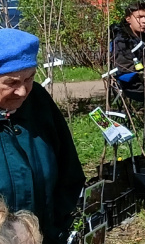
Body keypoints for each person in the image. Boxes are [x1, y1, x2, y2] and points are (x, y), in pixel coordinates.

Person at [0, 28, 85, 243]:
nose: (22, 91)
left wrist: (58, 224)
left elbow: (69, 169)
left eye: (29, 78)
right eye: (11, 82)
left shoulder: (37, 101)